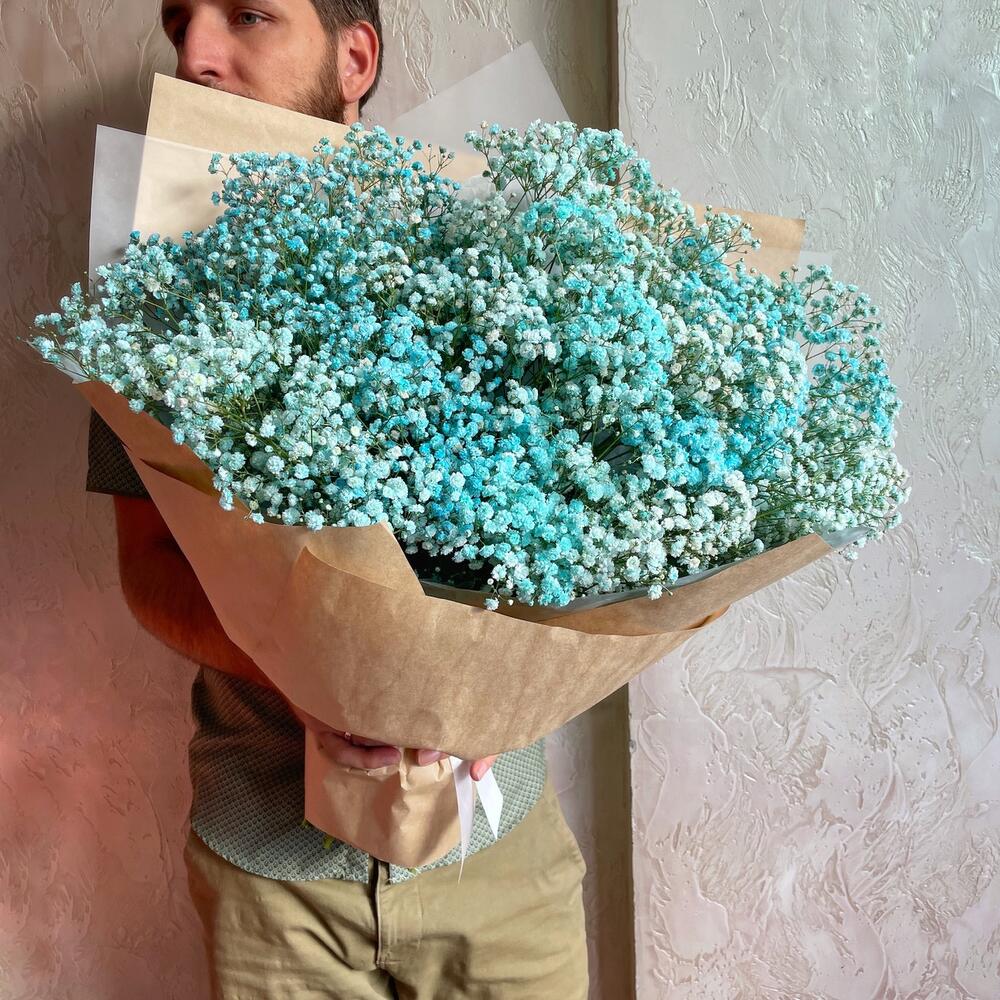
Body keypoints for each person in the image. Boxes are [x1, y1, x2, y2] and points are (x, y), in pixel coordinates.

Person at [87, 0, 590, 996]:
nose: (196, 54)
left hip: (496, 855)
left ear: (353, 59)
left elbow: (596, 533)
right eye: (180, 23)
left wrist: (498, 685)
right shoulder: (144, 289)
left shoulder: (494, 249)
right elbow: (147, 568)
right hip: (273, 874)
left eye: (248, 15)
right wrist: (319, 672)